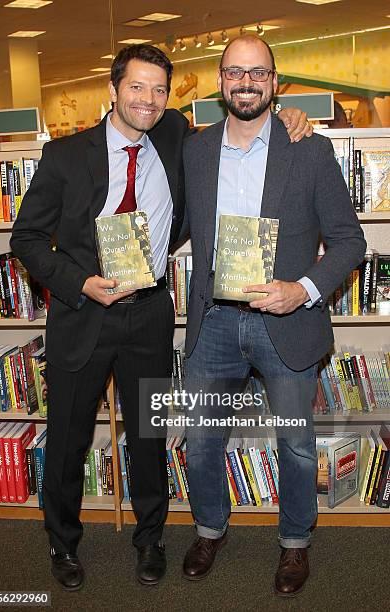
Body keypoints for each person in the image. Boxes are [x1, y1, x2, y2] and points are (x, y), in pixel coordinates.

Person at [10, 43, 311, 591]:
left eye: (158, 89)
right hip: (83, 315)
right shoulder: (64, 156)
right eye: (136, 87)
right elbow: (26, 238)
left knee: (149, 436)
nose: (147, 100)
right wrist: (78, 282)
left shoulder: (174, 136)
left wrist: (292, 113)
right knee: (69, 438)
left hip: (148, 315)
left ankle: (149, 540)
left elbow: (247, 118)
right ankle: (63, 543)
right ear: (113, 89)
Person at [181, 35, 366, 597]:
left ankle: (293, 544)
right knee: (201, 440)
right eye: (236, 71)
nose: (246, 82)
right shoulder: (194, 149)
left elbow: (348, 242)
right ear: (218, 81)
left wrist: (303, 290)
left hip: (284, 322)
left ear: (276, 81)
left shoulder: (308, 148)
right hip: (214, 321)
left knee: (296, 444)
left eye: (258, 72)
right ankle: (210, 529)